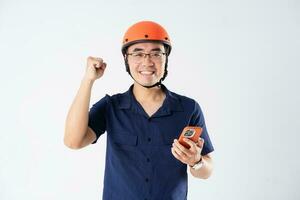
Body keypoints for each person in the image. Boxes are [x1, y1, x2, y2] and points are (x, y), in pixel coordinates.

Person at [64, 20, 214, 200]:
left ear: (166, 58)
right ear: (126, 59)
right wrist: (88, 80)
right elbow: (73, 141)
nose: (147, 61)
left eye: (156, 53)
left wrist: (196, 162)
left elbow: (206, 171)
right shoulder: (111, 106)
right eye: (138, 53)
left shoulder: (188, 108)